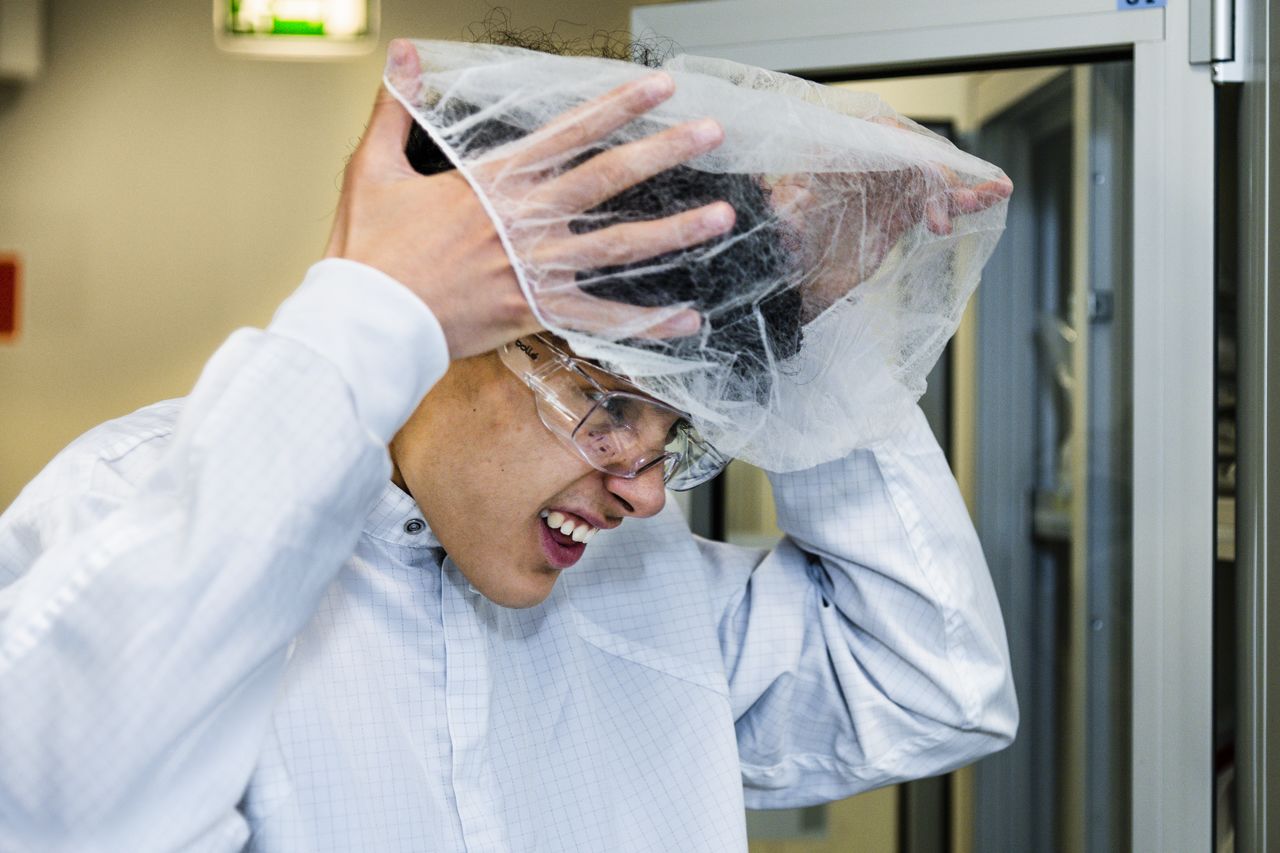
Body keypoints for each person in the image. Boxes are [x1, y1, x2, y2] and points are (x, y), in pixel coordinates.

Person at [0, 39, 1017, 852]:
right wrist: (369, 319)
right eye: (609, 406)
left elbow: (927, 692)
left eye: (678, 431)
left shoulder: (641, 580)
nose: (647, 495)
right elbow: (60, 807)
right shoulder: (134, 502)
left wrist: (811, 324)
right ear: (461, 320)